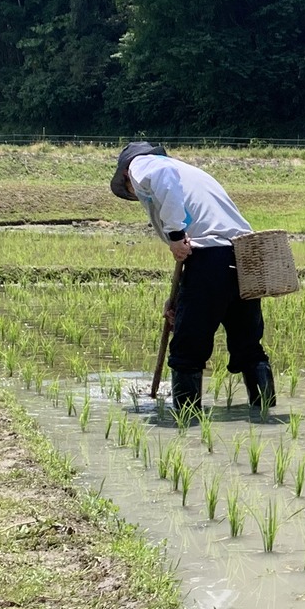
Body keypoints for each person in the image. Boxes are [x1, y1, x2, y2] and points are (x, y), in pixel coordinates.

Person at [111, 141, 274, 417]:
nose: (134, 193)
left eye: (129, 188)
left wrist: (175, 236)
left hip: (210, 257)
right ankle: (264, 416)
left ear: (127, 173)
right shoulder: (191, 173)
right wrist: (179, 300)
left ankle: (185, 424)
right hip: (244, 256)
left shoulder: (142, 164)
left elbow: (163, 180)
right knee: (249, 347)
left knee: (187, 350)